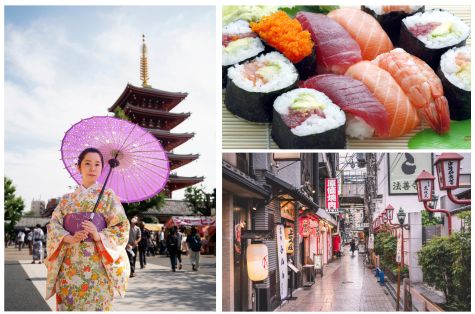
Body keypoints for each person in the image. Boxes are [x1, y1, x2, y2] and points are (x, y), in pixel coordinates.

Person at [45, 147, 130, 311]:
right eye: (88, 163)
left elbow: (121, 226)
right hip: (70, 264)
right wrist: (68, 237)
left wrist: (98, 235)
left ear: (102, 169)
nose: (92, 168)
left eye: (97, 164)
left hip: (97, 265)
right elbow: (54, 225)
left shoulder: (108, 196)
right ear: (79, 167)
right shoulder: (66, 200)